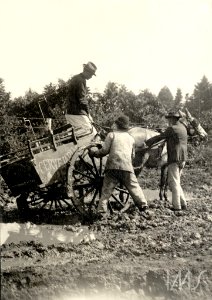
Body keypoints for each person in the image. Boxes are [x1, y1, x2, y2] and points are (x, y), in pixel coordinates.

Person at [89, 115, 148, 217]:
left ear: (117, 125)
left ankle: (101, 212)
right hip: (127, 167)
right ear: (126, 127)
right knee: (134, 187)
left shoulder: (111, 135)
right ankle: (143, 207)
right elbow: (132, 155)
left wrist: (94, 153)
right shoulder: (131, 138)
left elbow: (104, 151)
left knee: (106, 191)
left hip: (112, 167)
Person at [145, 111, 188, 212]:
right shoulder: (183, 128)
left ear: (173, 119)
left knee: (173, 182)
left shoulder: (172, 128)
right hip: (183, 158)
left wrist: (147, 142)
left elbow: (160, 137)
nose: (168, 120)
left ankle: (177, 207)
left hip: (174, 158)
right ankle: (183, 203)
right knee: (177, 181)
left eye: (169, 118)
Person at [65, 62, 97, 133]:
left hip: (69, 111)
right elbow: (82, 99)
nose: (91, 77)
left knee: (74, 134)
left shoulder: (75, 78)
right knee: (92, 133)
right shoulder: (81, 80)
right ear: (87, 72)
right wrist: (88, 114)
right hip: (77, 113)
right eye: (91, 74)